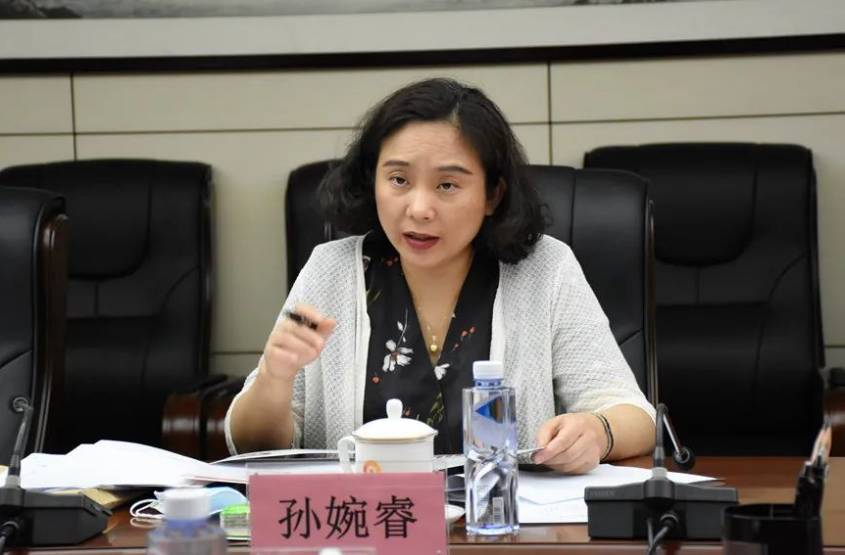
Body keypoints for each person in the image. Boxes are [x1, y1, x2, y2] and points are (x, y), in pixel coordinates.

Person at [226, 78, 655, 474]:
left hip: (501, 521)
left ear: (493, 194)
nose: (418, 209)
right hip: (369, 522)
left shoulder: (544, 269)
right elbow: (252, 445)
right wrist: (275, 380)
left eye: (447, 185)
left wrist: (597, 431)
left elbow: (635, 416)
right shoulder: (330, 270)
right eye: (398, 179)